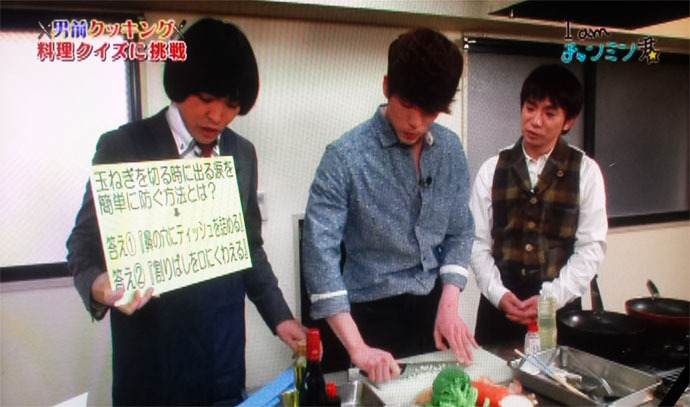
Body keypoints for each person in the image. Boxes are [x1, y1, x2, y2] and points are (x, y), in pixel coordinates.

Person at [66, 18, 306, 406]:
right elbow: (81, 247)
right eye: (207, 98)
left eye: (231, 105)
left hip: (223, 367)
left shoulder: (241, 153)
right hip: (153, 372)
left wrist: (281, 317)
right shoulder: (124, 147)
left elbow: (249, 248)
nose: (217, 116)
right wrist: (102, 286)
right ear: (179, 86)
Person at [302, 28, 477, 383]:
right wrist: (357, 348)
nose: (416, 122)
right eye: (408, 105)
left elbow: (460, 231)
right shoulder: (344, 157)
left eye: (430, 111)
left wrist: (449, 305)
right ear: (386, 87)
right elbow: (319, 257)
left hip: (431, 313)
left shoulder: (450, 149)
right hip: (366, 319)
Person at [469, 64, 608, 345]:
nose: (535, 120)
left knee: (557, 373)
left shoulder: (586, 171)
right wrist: (498, 294)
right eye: (530, 108)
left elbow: (590, 248)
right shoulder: (492, 169)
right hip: (500, 309)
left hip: (559, 309)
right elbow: (476, 243)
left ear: (568, 121)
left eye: (549, 113)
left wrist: (551, 297)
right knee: (492, 373)